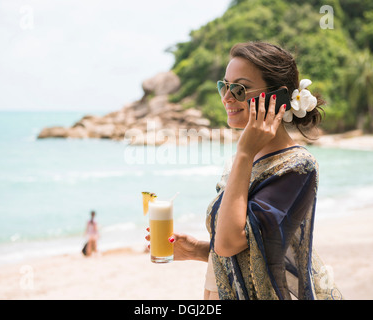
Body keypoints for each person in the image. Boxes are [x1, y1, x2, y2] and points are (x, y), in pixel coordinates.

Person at [146, 41, 342, 300]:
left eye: (240, 88)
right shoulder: (241, 162)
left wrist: (244, 152)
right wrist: (196, 249)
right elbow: (255, 252)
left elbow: (229, 244)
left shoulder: (296, 167)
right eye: (223, 86)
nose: (227, 97)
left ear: (277, 97)